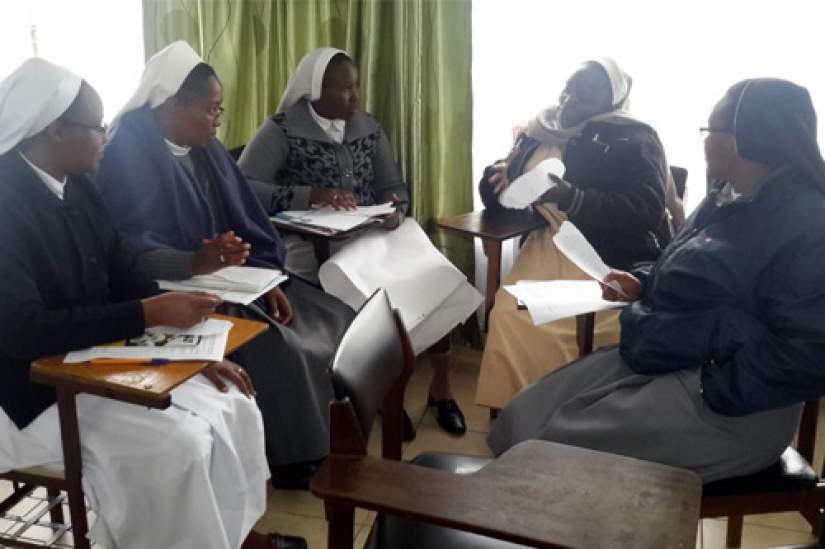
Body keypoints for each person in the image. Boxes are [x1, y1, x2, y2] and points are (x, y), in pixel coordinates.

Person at [0, 58, 305, 549]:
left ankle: (233, 535)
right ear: (55, 131)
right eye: (96, 127)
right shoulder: (5, 203)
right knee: (176, 445)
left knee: (235, 401)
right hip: (31, 390)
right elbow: (23, 331)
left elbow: (123, 272)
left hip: (96, 356)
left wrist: (189, 350)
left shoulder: (77, 184)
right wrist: (146, 315)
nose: (106, 136)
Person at [488, 78, 825, 483]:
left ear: (741, 141)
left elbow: (807, 354)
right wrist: (644, 281)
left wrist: (710, 389)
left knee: (546, 453)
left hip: (734, 405)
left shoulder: (809, 223)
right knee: (522, 418)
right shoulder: (726, 196)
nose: (704, 142)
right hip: (667, 353)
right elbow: (687, 264)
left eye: (709, 131)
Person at [95, 41, 354, 489]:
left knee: (334, 314)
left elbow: (242, 227)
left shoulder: (203, 146)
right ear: (175, 104)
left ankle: (344, 424)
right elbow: (128, 253)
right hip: (167, 289)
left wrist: (264, 277)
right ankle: (294, 458)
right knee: (284, 347)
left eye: (220, 109)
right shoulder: (127, 154)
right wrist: (195, 261)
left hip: (228, 278)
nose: (219, 120)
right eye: (211, 109)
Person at [239, 48, 482, 435]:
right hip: (314, 244)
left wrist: (396, 211)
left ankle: (441, 389)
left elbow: (393, 187)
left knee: (434, 278)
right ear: (316, 90)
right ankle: (384, 391)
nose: (355, 97)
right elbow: (244, 186)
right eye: (345, 89)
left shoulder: (368, 126)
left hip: (374, 236)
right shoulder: (282, 128)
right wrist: (312, 194)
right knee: (381, 298)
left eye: (356, 86)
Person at [475, 58, 677, 411]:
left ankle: (570, 419)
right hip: (548, 245)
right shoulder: (538, 130)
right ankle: (517, 413)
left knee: (580, 324)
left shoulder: (635, 137)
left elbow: (646, 208)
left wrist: (573, 198)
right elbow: (505, 197)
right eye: (568, 89)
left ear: (611, 101)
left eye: (584, 95)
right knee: (510, 315)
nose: (569, 101)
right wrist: (495, 180)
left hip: (607, 254)